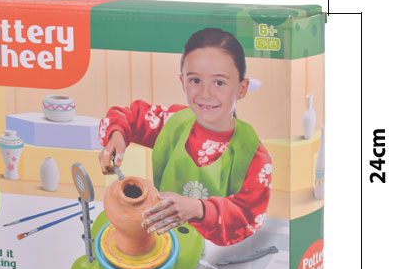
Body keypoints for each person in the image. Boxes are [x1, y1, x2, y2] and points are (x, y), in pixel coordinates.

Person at [98, 28, 272, 246]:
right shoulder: (173, 122)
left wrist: (198, 209)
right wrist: (117, 135)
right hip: (161, 237)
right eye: (195, 80)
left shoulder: (253, 153)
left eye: (219, 83)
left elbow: (248, 215)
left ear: (241, 88)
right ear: (183, 82)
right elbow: (130, 116)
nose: (205, 94)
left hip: (213, 252)